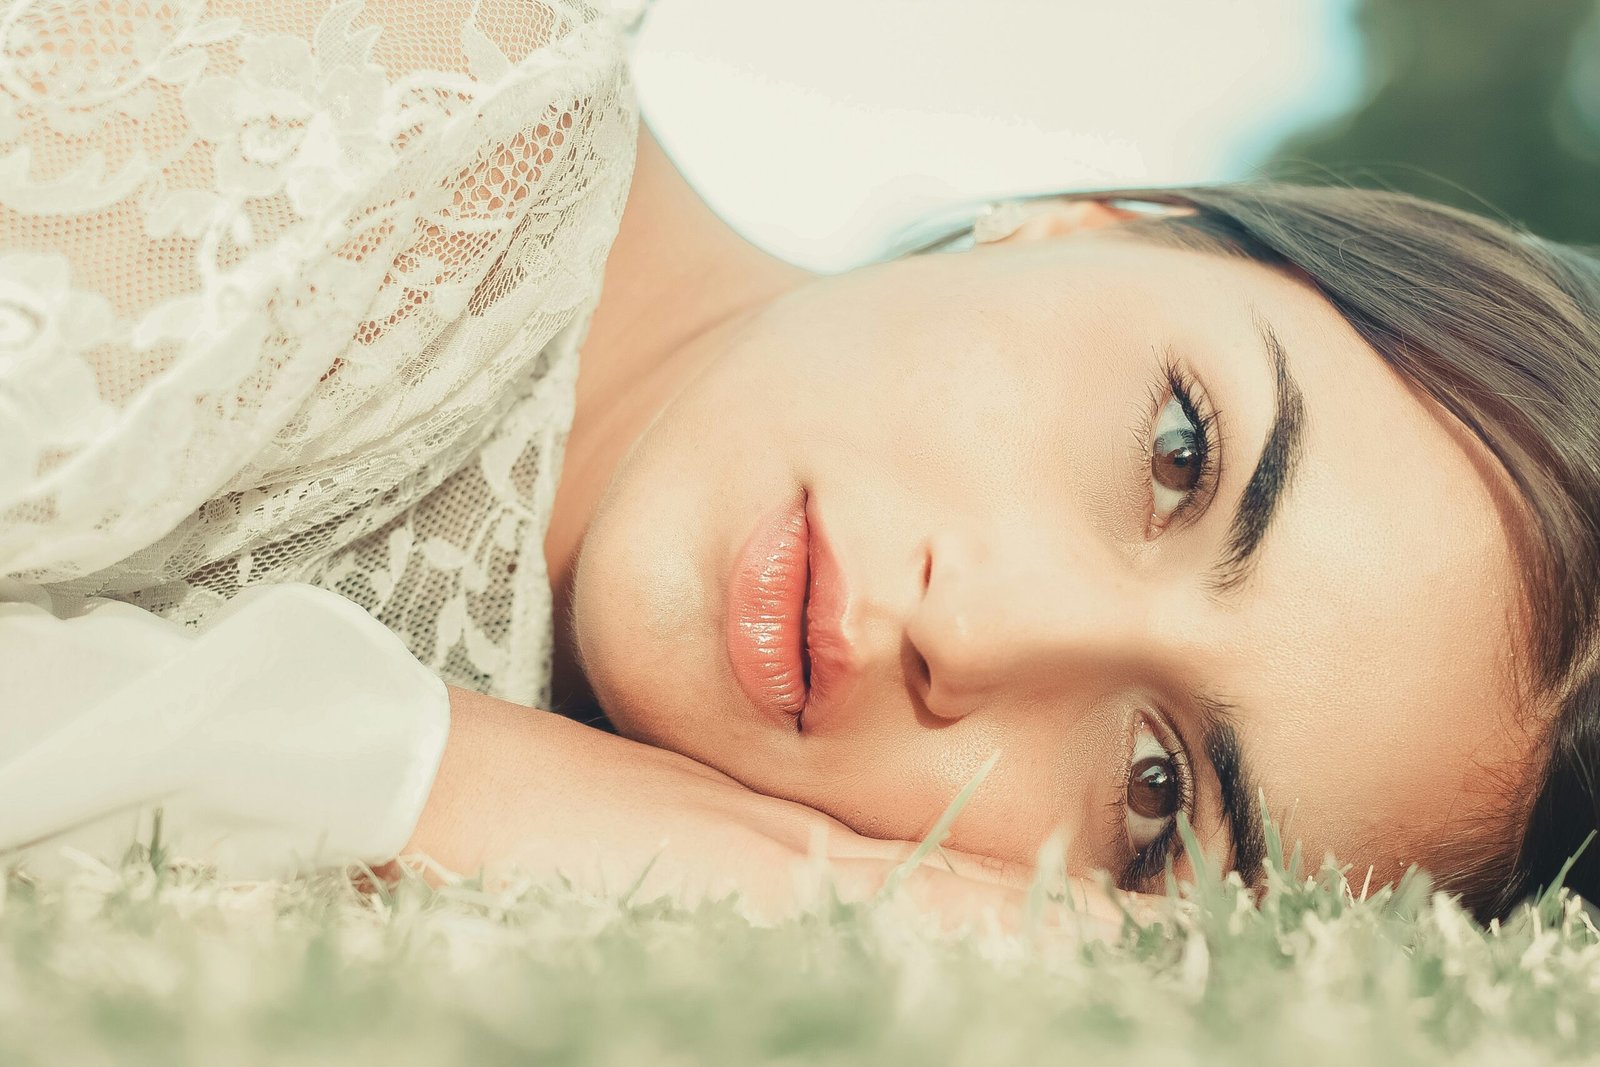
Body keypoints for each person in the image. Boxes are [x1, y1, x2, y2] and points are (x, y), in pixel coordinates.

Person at [2, 1, 1596, 927]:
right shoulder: (379, 68)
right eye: (1181, 453)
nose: (981, 633)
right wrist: (445, 778)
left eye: (1157, 790)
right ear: (1092, 222)